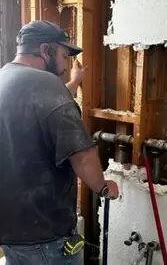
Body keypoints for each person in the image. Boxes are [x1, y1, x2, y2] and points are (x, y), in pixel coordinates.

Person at [0, 20, 119, 265]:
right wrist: (104, 187)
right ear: (46, 50)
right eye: (64, 56)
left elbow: (41, 108)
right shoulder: (48, 85)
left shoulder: (5, 78)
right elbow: (83, 155)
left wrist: (74, 84)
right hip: (46, 234)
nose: (66, 66)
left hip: (11, 230)